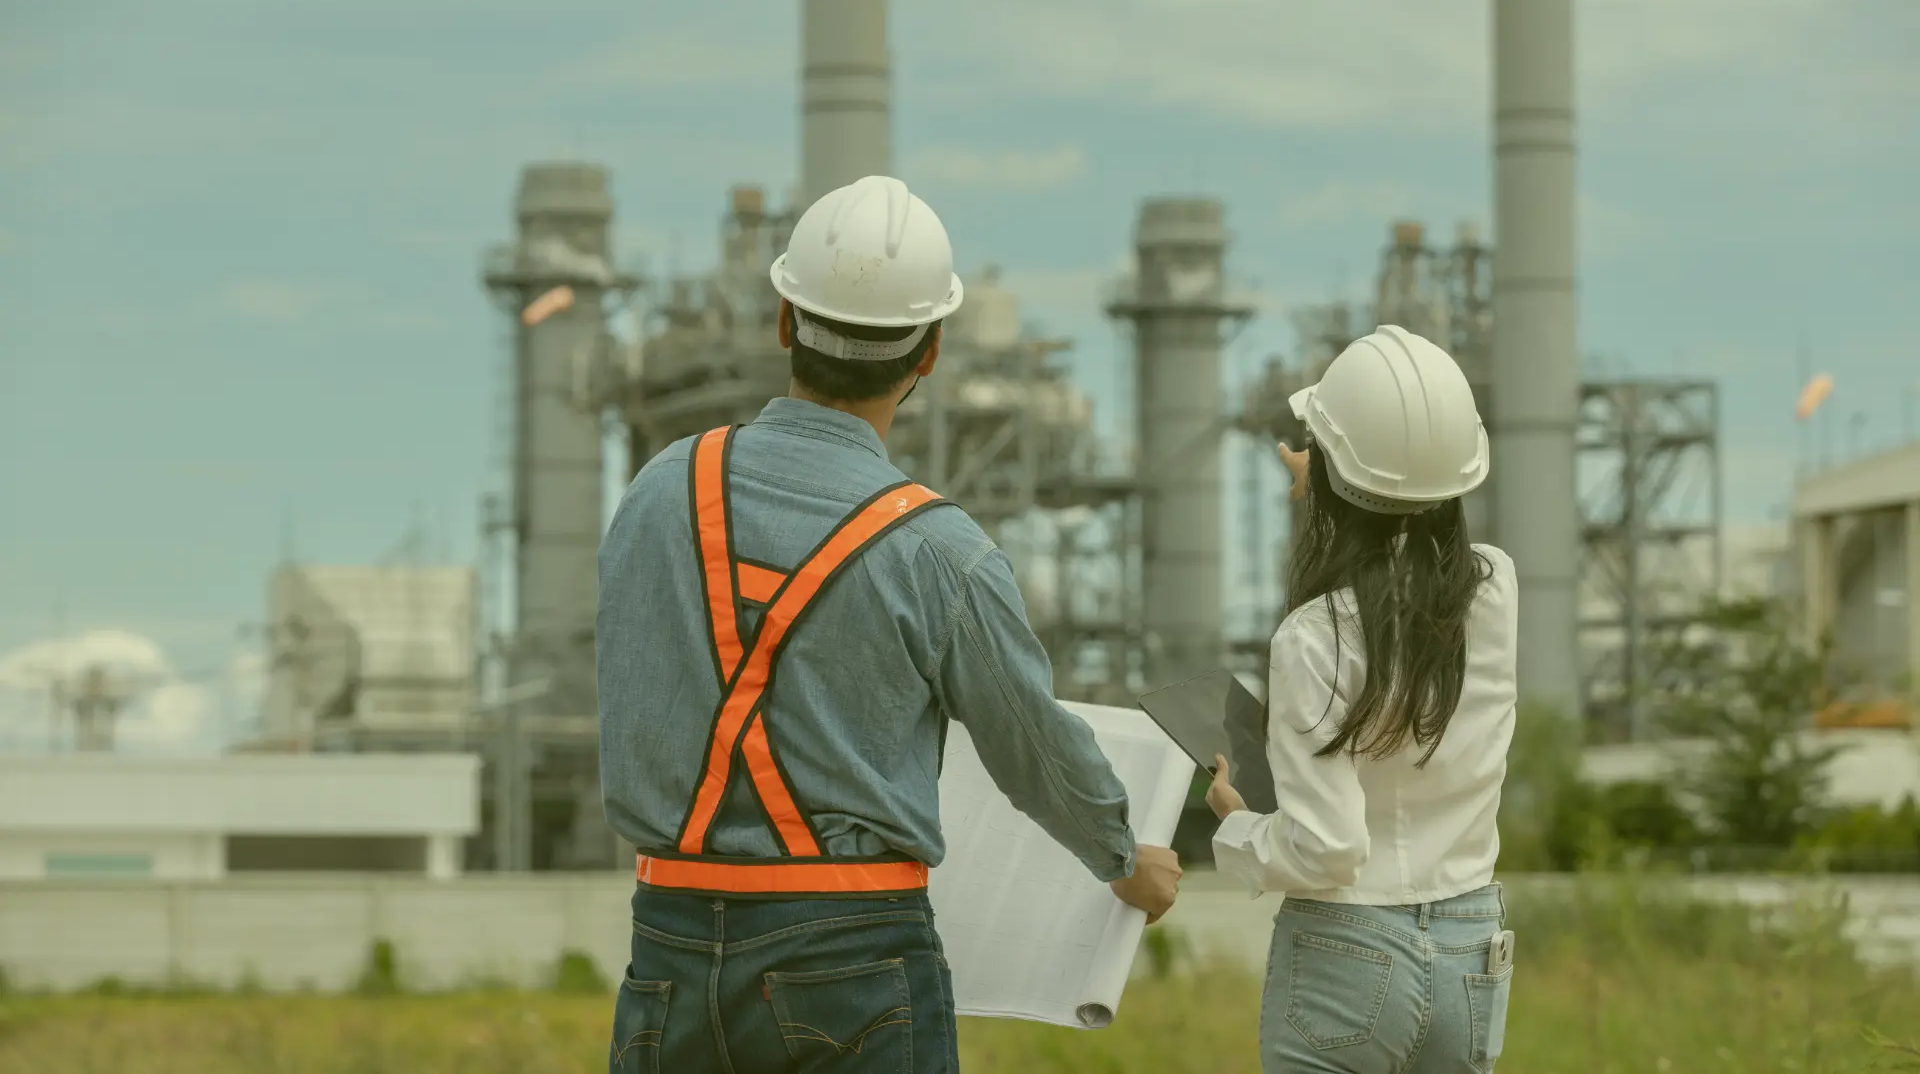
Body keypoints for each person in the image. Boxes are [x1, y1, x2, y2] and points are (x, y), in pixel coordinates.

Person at [596, 174, 1184, 1074]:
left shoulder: (656, 491)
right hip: (850, 958)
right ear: (931, 352)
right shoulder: (940, 551)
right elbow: (1031, 745)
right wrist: (1120, 856)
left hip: (669, 948)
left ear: (785, 319)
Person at [1207, 323, 1518, 1074]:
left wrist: (1239, 828)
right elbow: (1400, 504)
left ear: (1333, 478)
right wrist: (1339, 480)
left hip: (1349, 950)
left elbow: (1331, 848)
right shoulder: (1496, 590)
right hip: (1471, 945)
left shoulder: (1312, 639)